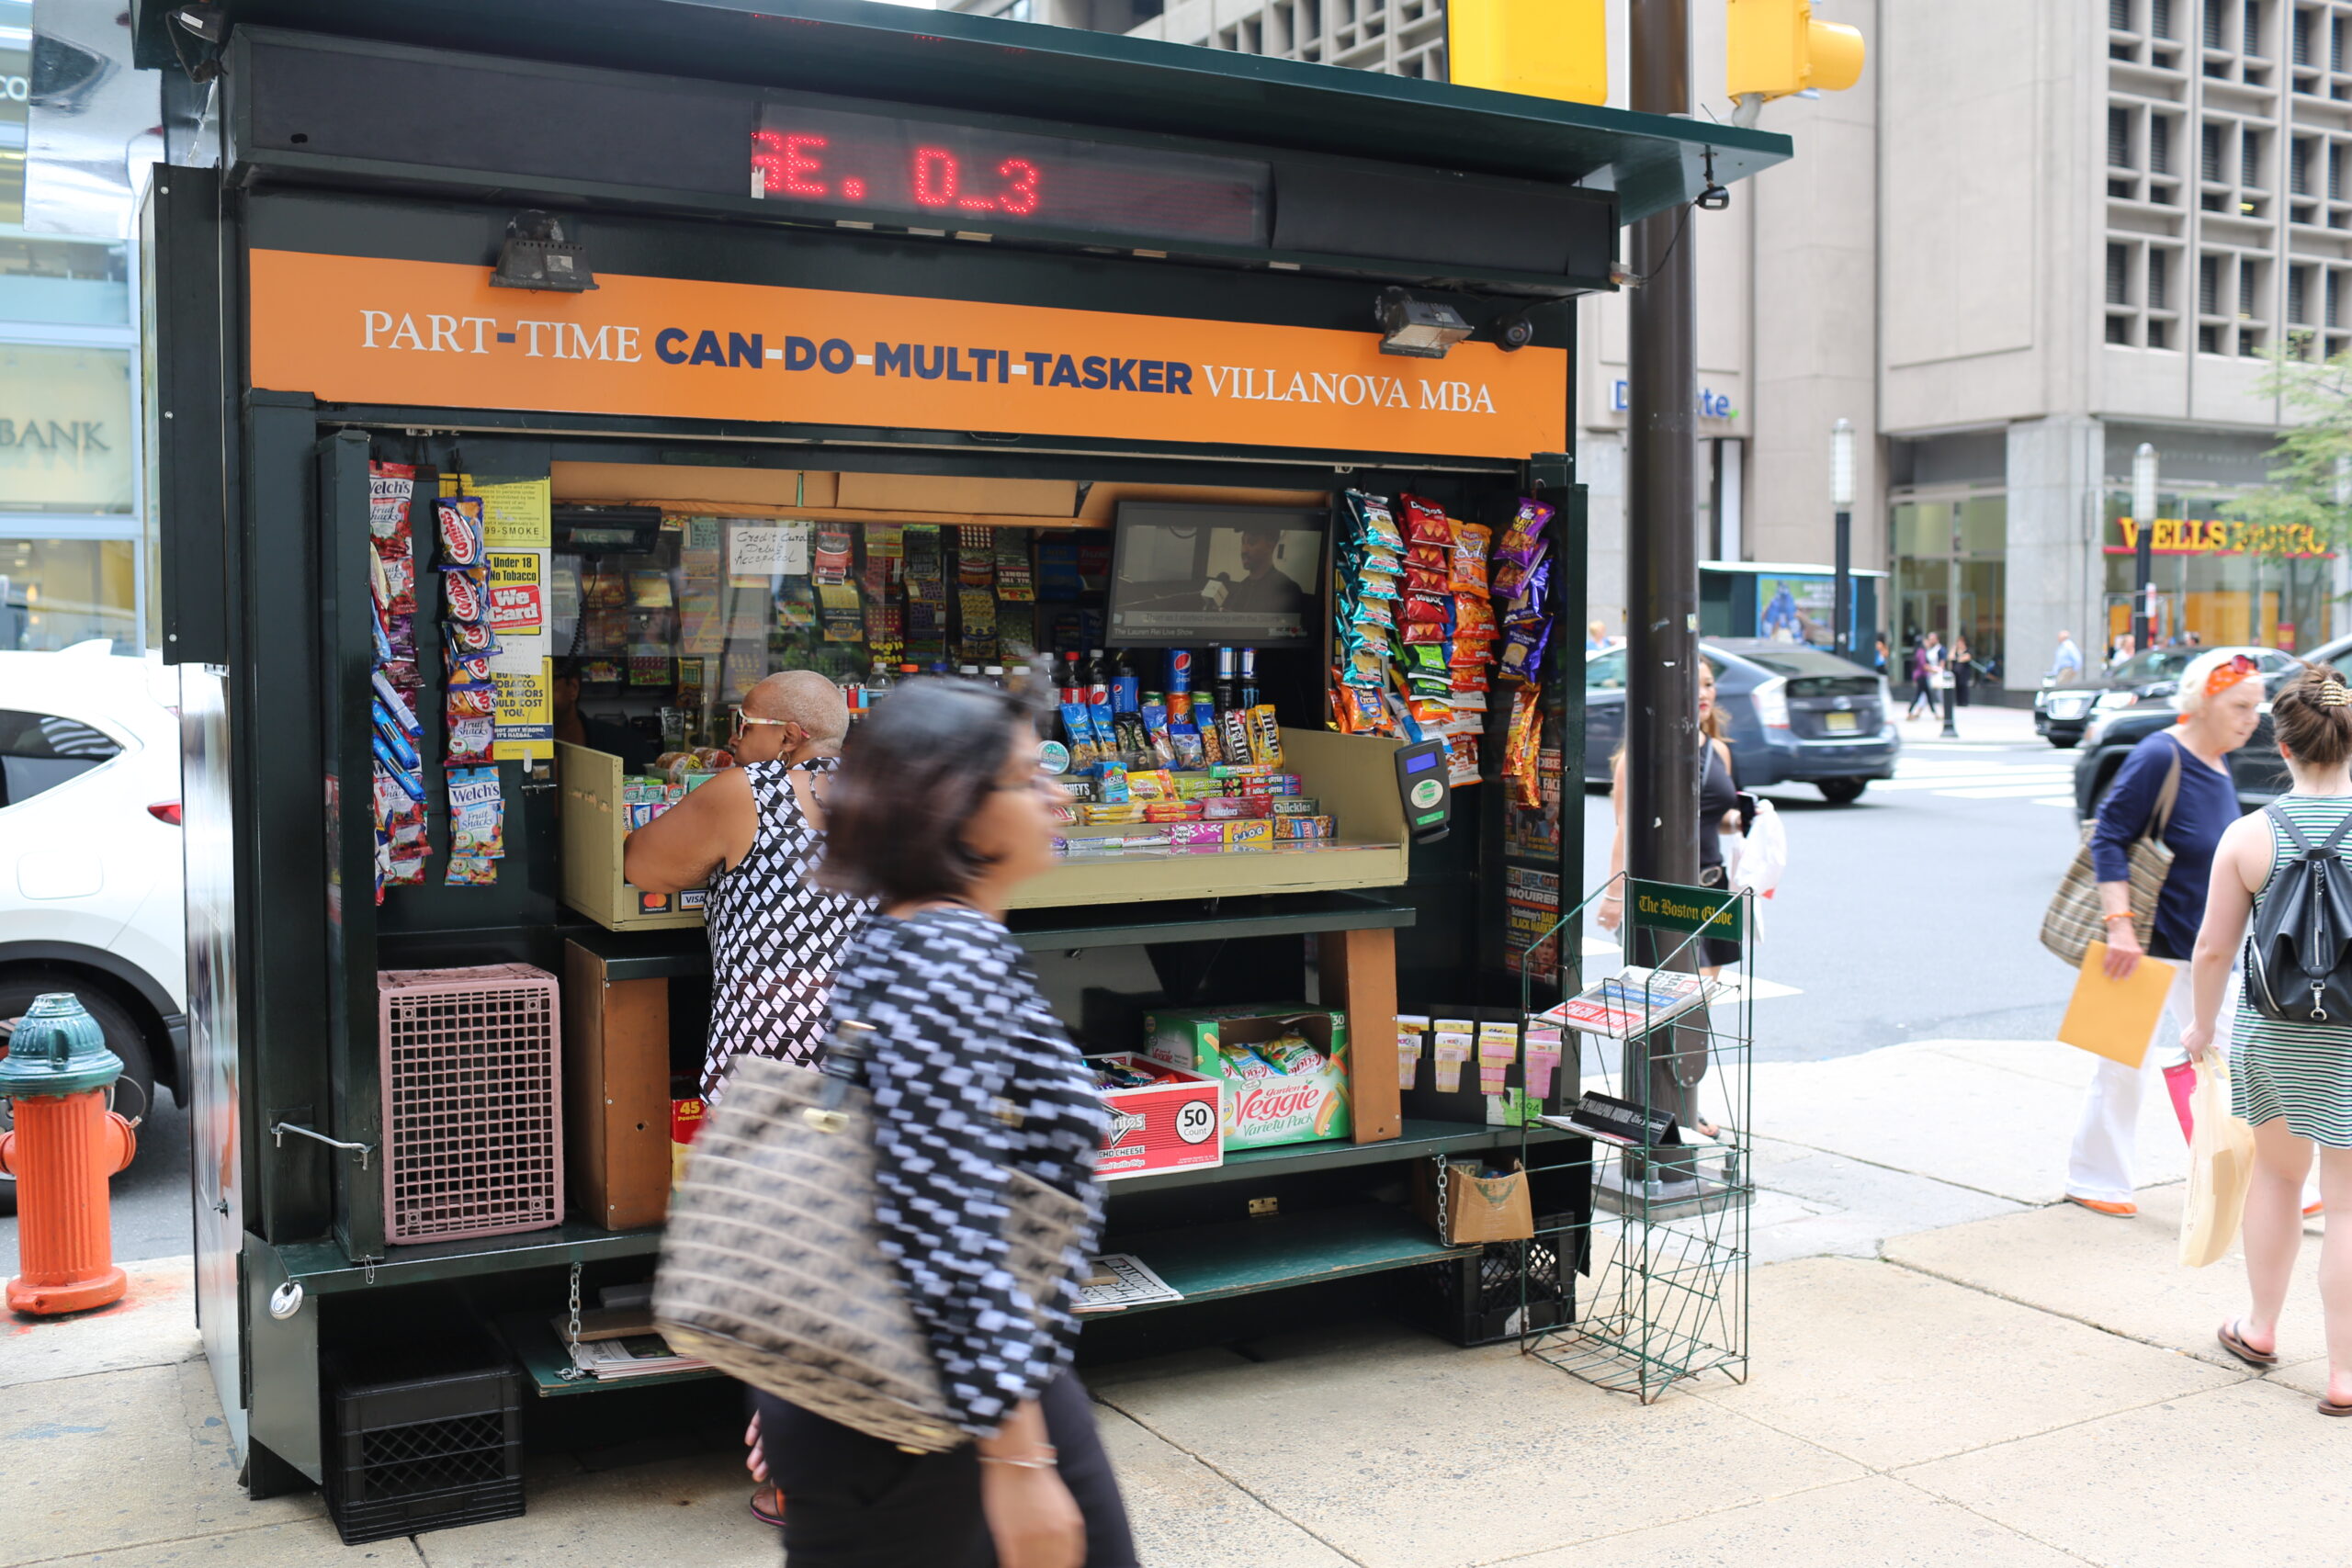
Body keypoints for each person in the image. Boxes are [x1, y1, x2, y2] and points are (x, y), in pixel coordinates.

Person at [745, 677, 1136, 1567]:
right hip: (937, 1399)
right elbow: (943, 1213)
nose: (1059, 795)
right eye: (1031, 778)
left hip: (940, 1375)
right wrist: (1019, 1458)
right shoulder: (947, 956)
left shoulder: (913, 933)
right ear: (958, 809)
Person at [2182, 662, 2352, 1415]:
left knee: (2277, 1180)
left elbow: (2214, 948)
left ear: (2282, 747)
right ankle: (2346, 1374)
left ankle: (2260, 1326)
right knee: (2348, 1208)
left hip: (2275, 1036)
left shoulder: (2249, 835)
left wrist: (2197, 1023)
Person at [2063, 649, 2265, 1217]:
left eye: (2256, 707)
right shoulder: (2160, 755)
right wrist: (2119, 926)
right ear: (2203, 699)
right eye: (2240, 705)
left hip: (2202, 948)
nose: (2252, 718)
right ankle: (2096, 1180)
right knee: (2118, 1064)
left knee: (2239, 1057)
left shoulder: (2219, 762)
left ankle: (2268, 1182)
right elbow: (2107, 838)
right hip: (2139, 941)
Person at [625, 669, 872, 1102]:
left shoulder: (748, 790)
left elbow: (646, 869)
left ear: (790, 738)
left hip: (774, 1031)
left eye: (744, 724)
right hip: (867, 1029)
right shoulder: (885, 794)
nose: (733, 738)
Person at [1208, 520, 1303, 618]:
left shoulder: (1288, 590)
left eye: (1252, 542)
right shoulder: (1240, 589)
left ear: (1271, 544)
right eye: (1243, 542)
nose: (1243, 550)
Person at [1906, 632, 1943, 720]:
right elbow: (1924, 666)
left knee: (1927, 696)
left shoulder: (1920, 651)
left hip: (1922, 676)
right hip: (1922, 676)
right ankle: (1910, 712)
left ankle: (1935, 714)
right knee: (1919, 695)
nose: (1927, 642)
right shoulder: (1921, 652)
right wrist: (1935, 670)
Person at [1951, 634, 1974, 707]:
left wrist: (1957, 658)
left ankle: (1964, 702)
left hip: (1964, 672)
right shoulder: (1956, 651)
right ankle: (1959, 702)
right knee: (1957, 687)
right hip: (1956, 673)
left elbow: (1966, 658)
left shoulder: (1968, 650)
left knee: (1963, 686)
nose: (1959, 644)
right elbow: (1950, 657)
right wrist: (1954, 648)